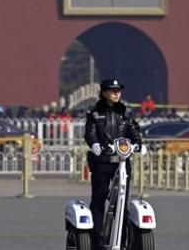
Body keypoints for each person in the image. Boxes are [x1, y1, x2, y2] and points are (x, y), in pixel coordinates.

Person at [84, 78, 143, 250]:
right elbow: (90, 132)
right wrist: (94, 144)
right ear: (104, 92)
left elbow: (133, 130)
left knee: (121, 203)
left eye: (118, 90)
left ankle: (121, 242)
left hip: (122, 163)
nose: (117, 93)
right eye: (112, 90)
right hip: (102, 163)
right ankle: (98, 242)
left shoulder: (126, 112)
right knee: (99, 200)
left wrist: (138, 143)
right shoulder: (95, 112)